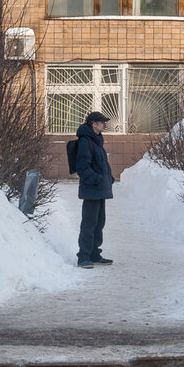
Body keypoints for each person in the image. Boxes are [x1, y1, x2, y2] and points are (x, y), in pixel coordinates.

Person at [75, 111, 115, 269]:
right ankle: (83, 256)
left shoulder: (97, 140)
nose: (105, 124)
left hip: (100, 189)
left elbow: (101, 163)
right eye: (102, 122)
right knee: (89, 223)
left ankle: (94, 254)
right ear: (93, 124)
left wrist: (108, 177)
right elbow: (82, 167)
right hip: (92, 189)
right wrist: (97, 180)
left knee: (99, 223)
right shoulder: (85, 141)